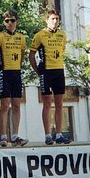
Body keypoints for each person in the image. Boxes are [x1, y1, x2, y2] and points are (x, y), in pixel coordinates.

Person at [29, 9, 71, 145]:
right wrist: (38, 71)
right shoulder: (40, 35)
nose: (55, 21)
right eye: (52, 19)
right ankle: (47, 135)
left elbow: (62, 51)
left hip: (59, 71)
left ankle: (58, 134)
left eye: (57, 19)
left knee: (59, 104)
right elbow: (31, 54)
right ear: (46, 20)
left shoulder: (62, 35)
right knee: (47, 103)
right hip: (46, 72)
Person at [0, 11, 28, 147]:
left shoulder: (21, 38)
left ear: (17, 21)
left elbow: (22, 54)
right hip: (4, 73)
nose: (10, 23)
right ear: (3, 23)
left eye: (12, 20)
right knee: (5, 105)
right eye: (7, 21)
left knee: (17, 105)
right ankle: (4, 136)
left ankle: (15, 135)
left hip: (16, 73)